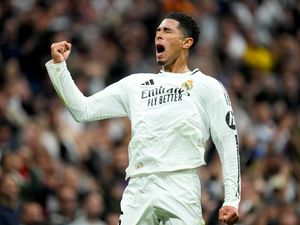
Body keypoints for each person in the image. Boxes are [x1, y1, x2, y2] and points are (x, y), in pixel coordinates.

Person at [45, 12, 240, 225]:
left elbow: (227, 141)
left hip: (180, 184)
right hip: (138, 186)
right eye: (157, 31)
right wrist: (59, 67)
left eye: (166, 31)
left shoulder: (207, 86)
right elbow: (82, 110)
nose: (158, 35)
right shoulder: (135, 85)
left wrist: (232, 199)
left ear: (187, 42)